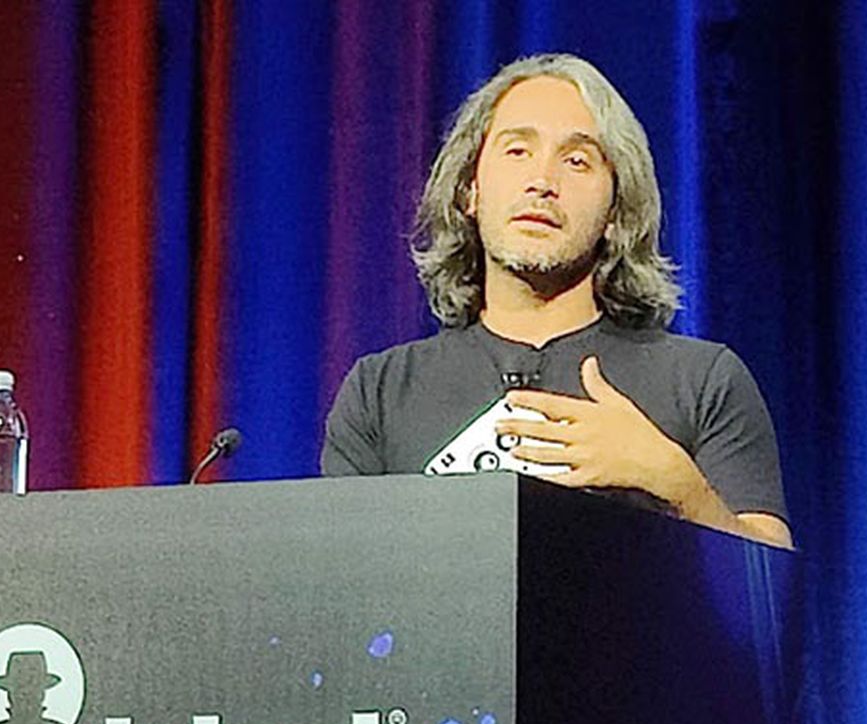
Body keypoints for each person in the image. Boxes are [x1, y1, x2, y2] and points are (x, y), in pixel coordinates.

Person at [320, 53, 792, 549]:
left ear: (615, 212)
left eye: (577, 161)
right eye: (517, 151)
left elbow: (776, 605)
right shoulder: (380, 393)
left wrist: (680, 487)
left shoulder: (703, 381)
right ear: (470, 191)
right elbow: (342, 593)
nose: (542, 183)